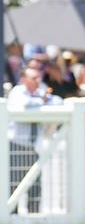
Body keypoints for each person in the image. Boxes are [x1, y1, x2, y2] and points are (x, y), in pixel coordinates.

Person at [7, 67, 63, 213]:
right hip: (17, 145)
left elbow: (58, 102)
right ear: (24, 79)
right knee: (13, 184)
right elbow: (25, 105)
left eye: (39, 78)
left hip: (34, 146)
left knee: (35, 184)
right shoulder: (17, 91)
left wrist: (42, 100)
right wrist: (42, 100)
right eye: (33, 78)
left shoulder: (40, 93)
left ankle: (34, 216)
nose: (37, 81)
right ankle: (12, 216)